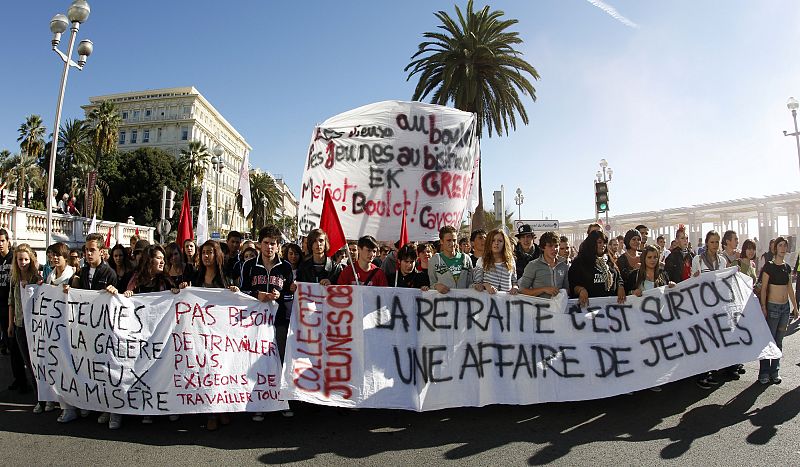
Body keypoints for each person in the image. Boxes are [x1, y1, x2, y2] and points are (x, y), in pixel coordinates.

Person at [240, 225, 294, 420]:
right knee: (256, 363)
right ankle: (259, 402)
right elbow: (242, 292)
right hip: (255, 323)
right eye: (266, 243)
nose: (269, 247)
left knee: (280, 360)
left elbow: (291, 294)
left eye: (273, 244)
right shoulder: (249, 266)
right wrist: (257, 295)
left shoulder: (286, 267)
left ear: (278, 246)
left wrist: (281, 295)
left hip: (279, 321)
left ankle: (282, 401)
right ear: (259, 244)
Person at [124, 244, 177, 424]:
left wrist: (179, 291)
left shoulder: (166, 280)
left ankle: (165, 404)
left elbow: (176, 299)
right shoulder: (136, 280)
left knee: (162, 369)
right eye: (158, 258)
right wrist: (128, 295)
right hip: (141, 335)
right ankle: (145, 406)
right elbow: (125, 301)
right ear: (149, 260)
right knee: (143, 370)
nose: (162, 261)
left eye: (163, 259)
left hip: (161, 335)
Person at [190, 240, 239, 430]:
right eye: (203, 253)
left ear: (216, 254)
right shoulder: (196, 276)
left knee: (221, 371)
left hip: (221, 334)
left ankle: (222, 408)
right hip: (200, 332)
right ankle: (210, 412)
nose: (206, 256)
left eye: (210, 252)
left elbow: (234, 302)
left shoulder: (225, 277)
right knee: (206, 371)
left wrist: (234, 291)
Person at [43, 242, 78, 419]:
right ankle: (55, 397)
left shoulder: (73, 275)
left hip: (69, 327)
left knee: (67, 365)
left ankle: (69, 407)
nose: (54, 258)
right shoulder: (50, 276)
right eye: (52, 255)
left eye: (58, 255)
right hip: (54, 326)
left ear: (65, 256)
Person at [7, 244, 43, 412]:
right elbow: (11, 302)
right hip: (20, 325)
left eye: (26, 259)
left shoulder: (37, 277)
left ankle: (46, 396)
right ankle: (39, 398)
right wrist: (10, 324)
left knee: (39, 362)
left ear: (31, 260)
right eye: (20, 259)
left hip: (36, 327)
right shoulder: (13, 277)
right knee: (28, 362)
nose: (23, 262)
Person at [758, 236, 798, 385]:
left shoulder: (787, 267)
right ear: (775, 248)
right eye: (780, 245)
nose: (783, 248)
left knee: (779, 341)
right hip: (772, 306)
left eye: (785, 245)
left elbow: (789, 288)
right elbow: (763, 288)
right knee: (768, 340)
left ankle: (775, 371)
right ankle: (764, 372)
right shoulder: (769, 266)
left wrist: (796, 307)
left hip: (785, 308)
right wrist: (763, 306)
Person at [690, 230, 727, 389]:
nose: (715, 245)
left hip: (716, 305)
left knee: (714, 340)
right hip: (702, 305)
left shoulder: (723, 261)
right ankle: (701, 374)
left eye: (717, 242)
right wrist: (695, 277)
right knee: (703, 340)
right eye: (712, 242)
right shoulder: (698, 259)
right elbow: (691, 283)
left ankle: (710, 372)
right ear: (706, 243)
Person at [567, 230, 625, 307]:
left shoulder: (608, 260)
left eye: (604, 243)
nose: (603, 245)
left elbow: (618, 277)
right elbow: (572, 283)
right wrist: (581, 290)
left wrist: (620, 286)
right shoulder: (580, 262)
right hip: (588, 309)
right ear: (592, 243)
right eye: (599, 242)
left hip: (610, 308)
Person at [519, 231, 568, 298]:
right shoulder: (533, 265)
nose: (554, 249)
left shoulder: (563, 265)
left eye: (556, 246)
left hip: (559, 307)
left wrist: (562, 293)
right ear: (543, 247)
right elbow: (522, 290)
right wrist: (543, 289)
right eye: (550, 246)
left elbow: (567, 289)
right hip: (539, 307)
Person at [429, 225, 474, 293]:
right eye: (449, 240)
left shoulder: (466, 258)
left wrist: (477, 286)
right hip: (443, 301)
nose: (452, 244)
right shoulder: (434, 260)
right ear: (441, 241)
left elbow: (470, 283)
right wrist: (436, 286)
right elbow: (432, 284)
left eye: (454, 240)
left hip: (463, 301)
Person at [0, 229, 20, 384]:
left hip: (12, 305)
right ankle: (16, 378)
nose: (0, 244)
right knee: (7, 341)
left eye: (2, 241)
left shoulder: (13, 258)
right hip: (1, 306)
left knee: (15, 345)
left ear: (8, 241)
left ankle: (20, 379)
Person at [473, 229, 519, 294]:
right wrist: (486, 285)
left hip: (506, 302)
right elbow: (476, 284)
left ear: (504, 243)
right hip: (488, 302)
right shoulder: (482, 261)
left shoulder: (510, 260)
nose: (496, 243)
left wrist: (515, 288)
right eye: (493, 240)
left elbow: (514, 282)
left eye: (500, 241)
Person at [281, 242, 302, 317]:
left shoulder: (304, 270)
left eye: (296, 254)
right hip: (283, 311)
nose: (293, 256)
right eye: (291, 253)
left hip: (299, 312)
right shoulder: (280, 270)